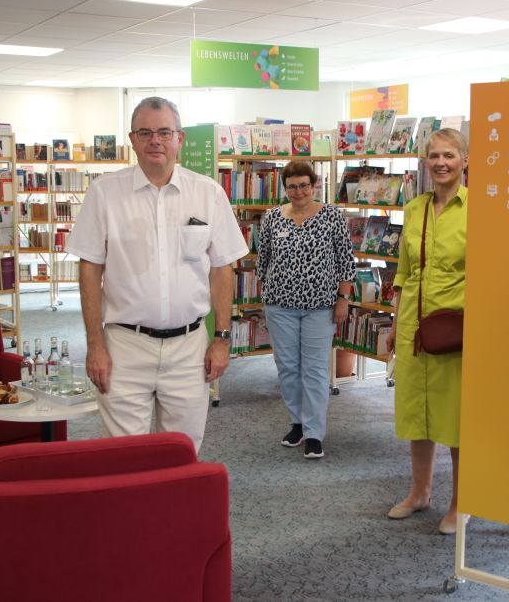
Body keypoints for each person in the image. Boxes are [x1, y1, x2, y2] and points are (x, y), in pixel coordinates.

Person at [66, 97, 248, 453]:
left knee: (182, 452)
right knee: (124, 456)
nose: (155, 141)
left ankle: (173, 512)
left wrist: (222, 339)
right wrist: (95, 345)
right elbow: (90, 270)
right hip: (124, 347)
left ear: (179, 138)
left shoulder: (207, 193)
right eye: (145, 132)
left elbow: (221, 268)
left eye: (164, 132)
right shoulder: (104, 193)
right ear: (132, 139)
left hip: (189, 347)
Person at [385, 128, 469, 534]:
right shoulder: (415, 208)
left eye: (449, 155)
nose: (440, 163)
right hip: (412, 328)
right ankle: (420, 492)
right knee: (416, 412)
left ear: (464, 161)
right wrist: (394, 318)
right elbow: (403, 270)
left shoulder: (479, 210)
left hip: (455, 329)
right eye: (433, 156)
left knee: (454, 418)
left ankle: (460, 503)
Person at [256, 161, 355, 459]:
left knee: (313, 370)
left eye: (303, 185)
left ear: (314, 185)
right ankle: (297, 423)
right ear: (284, 188)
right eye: (292, 186)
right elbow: (264, 262)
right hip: (279, 305)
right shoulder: (272, 218)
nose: (298, 191)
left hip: (319, 307)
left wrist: (343, 299)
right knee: (287, 368)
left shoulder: (332, 217)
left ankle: (314, 433)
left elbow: (346, 261)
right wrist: (265, 297)